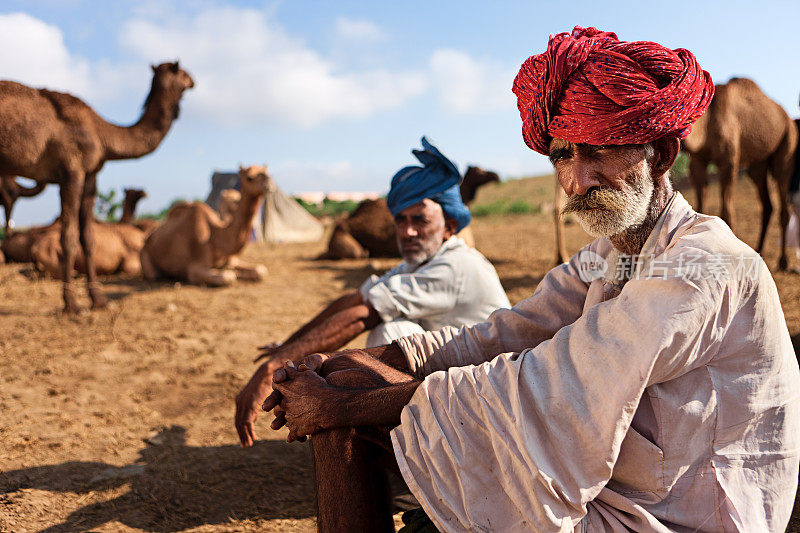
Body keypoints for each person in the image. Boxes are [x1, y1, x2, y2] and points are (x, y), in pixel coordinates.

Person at [260, 27, 800, 532]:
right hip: (616, 489)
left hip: (674, 516)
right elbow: (512, 330)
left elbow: (556, 382)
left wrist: (344, 403)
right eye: (564, 154)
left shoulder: (706, 265)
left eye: (600, 150)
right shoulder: (610, 256)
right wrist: (355, 365)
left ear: (659, 153)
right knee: (351, 385)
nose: (577, 180)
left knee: (350, 408)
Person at [234, 137, 510, 448]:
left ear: (449, 226)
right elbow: (355, 300)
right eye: (401, 220)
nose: (407, 231)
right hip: (454, 390)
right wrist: (285, 348)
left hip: (486, 404)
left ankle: (405, 445)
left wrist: (274, 367)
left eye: (420, 220)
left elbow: (364, 314)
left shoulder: (455, 265)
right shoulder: (418, 264)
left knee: (391, 332)